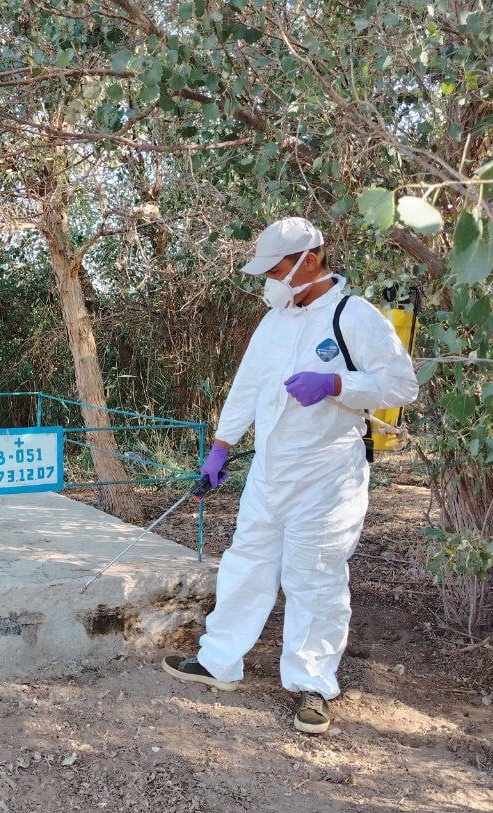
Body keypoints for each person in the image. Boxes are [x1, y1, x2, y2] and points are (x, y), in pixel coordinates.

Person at [162, 216, 418, 735]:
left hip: (327, 476)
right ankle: (218, 661)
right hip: (269, 471)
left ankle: (312, 685)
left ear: (311, 259)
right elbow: (247, 387)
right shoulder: (273, 321)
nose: (271, 280)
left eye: (277, 269)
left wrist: (336, 384)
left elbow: (400, 386)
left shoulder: (354, 315)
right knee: (246, 562)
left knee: (315, 576)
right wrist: (220, 448)